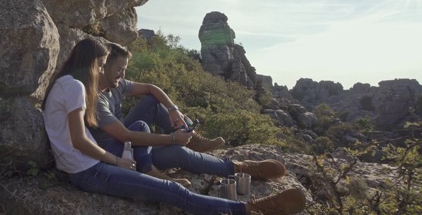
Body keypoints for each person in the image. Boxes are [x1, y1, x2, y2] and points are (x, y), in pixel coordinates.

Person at [42, 37, 306, 215]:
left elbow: (80, 137)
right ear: (91, 63)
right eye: (100, 65)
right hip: (89, 169)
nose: (101, 71)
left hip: (96, 160)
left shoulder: (69, 83)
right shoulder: (77, 87)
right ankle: (252, 209)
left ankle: (241, 167)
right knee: (174, 192)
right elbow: (80, 141)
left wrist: (172, 110)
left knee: (175, 150)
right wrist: (117, 161)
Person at [90, 42, 287, 182]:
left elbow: (151, 88)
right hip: (119, 155)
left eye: (125, 69)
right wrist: (173, 140)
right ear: (103, 67)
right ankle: (239, 167)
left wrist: (173, 110)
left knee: (153, 101)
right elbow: (126, 135)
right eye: (120, 69)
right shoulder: (96, 100)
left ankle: (194, 139)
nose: (123, 75)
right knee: (179, 153)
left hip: (128, 140)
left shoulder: (116, 84)